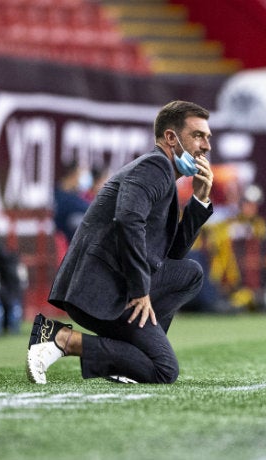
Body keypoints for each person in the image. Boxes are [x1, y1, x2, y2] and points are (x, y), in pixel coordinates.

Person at [27, 100, 215, 384]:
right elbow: (128, 220)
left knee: (190, 273)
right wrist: (141, 290)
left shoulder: (165, 178)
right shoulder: (154, 166)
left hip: (113, 285)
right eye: (198, 135)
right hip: (101, 288)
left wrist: (199, 200)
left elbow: (174, 254)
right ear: (170, 138)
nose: (206, 146)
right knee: (164, 370)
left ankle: (126, 360)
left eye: (207, 137)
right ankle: (61, 338)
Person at [53, 160, 91, 243]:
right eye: (79, 175)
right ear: (72, 175)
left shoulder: (75, 194)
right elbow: (86, 208)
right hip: (64, 238)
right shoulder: (60, 195)